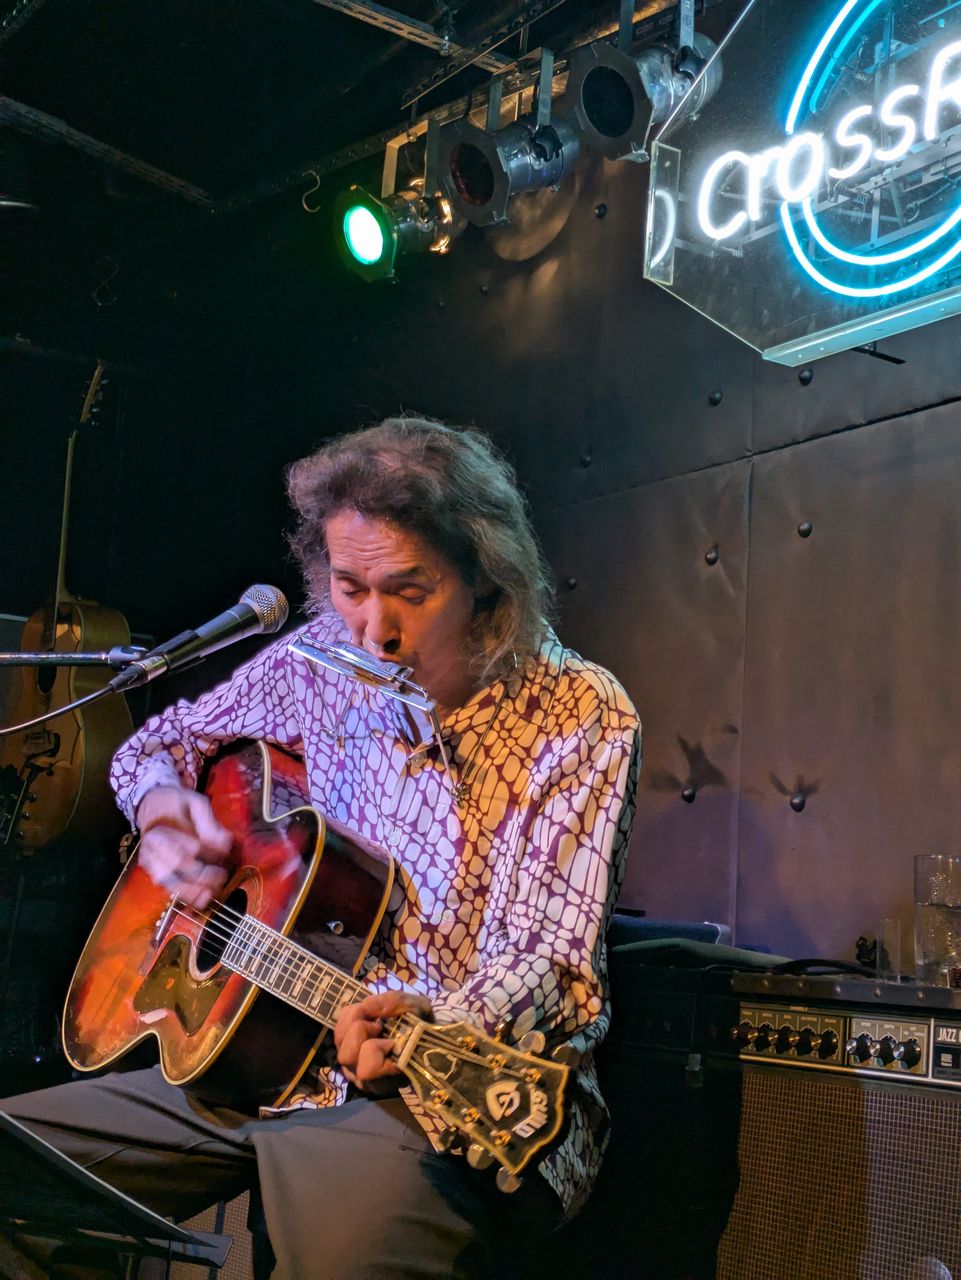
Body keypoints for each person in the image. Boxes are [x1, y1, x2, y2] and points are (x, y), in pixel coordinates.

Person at [2, 416, 641, 1279]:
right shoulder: (316, 660)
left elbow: (552, 959)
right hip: (251, 1053)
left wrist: (432, 1027)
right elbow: (157, 742)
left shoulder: (578, 711)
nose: (373, 628)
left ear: (484, 579)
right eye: (349, 587)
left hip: (436, 1095)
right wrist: (159, 811)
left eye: (409, 591)